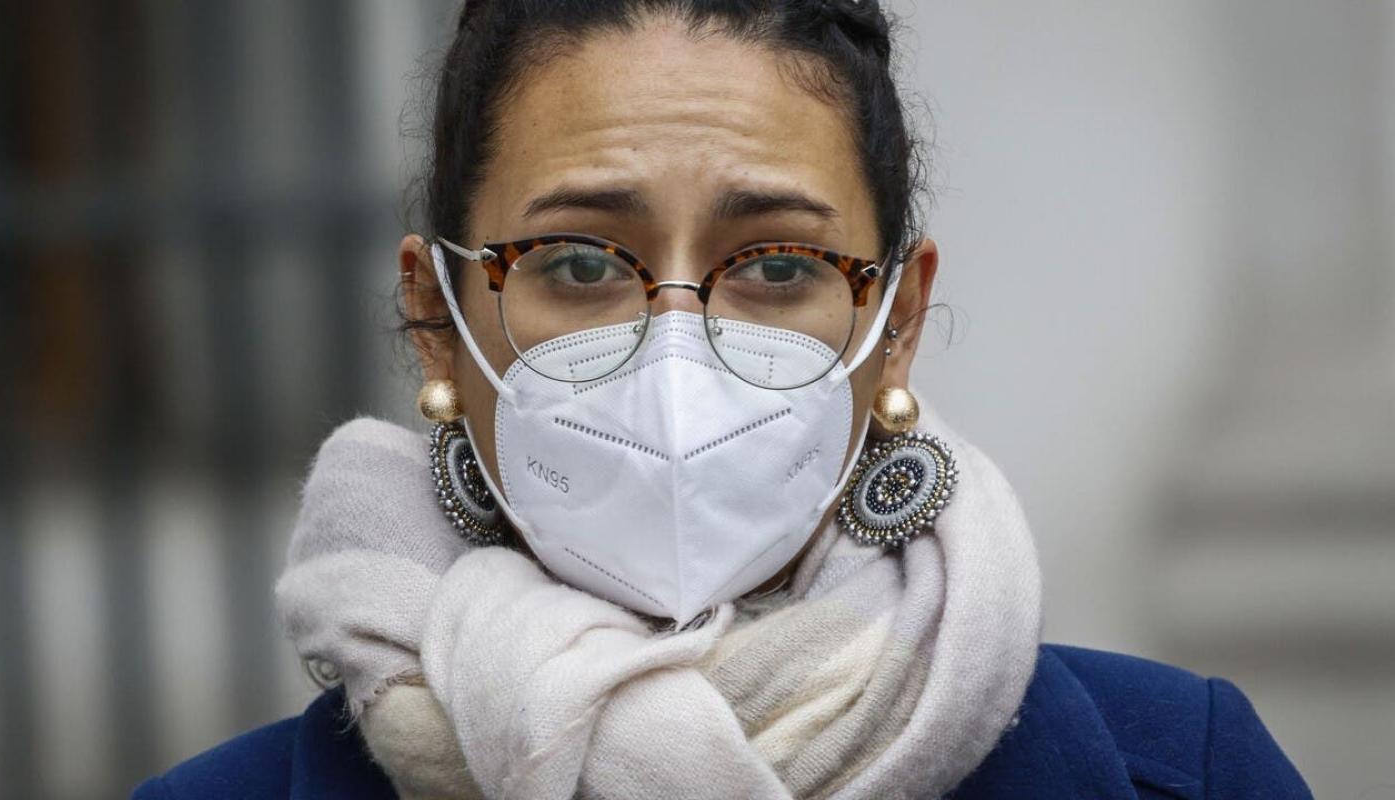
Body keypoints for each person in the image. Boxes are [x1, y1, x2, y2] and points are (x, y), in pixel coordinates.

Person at [132, 0, 1312, 798]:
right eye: (578, 262)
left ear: (894, 325)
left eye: (778, 265)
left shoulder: (1186, 772)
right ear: (436, 313)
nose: (676, 351)